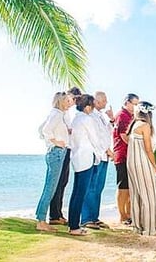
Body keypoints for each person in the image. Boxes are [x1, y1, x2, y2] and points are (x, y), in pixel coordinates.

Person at [126, 101, 156, 236]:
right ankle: (150, 228)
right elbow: (148, 149)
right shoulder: (145, 125)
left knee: (136, 194)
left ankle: (138, 226)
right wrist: (155, 166)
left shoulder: (133, 125)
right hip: (142, 163)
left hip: (131, 163)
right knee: (149, 195)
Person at [35, 92, 70, 232]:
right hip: (56, 152)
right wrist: (55, 142)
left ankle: (41, 218)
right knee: (50, 188)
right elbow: (44, 130)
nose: (69, 103)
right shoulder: (56, 114)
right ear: (61, 101)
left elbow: (40, 130)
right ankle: (41, 221)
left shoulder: (57, 114)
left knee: (51, 187)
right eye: (67, 100)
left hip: (57, 152)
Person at [67, 94, 100, 236]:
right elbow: (95, 139)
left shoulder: (76, 119)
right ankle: (74, 227)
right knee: (81, 193)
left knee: (76, 193)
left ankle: (73, 224)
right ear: (87, 107)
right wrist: (99, 154)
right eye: (92, 106)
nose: (93, 109)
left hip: (77, 158)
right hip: (86, 158)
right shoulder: (87, 119)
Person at [81, 91, 114, 229]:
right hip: (97, 155)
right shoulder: (91, 116)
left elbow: (108, 132)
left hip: (105, 156)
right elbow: (96, 137)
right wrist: (106, 150)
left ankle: (94, 217)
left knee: (99, 187)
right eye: (104, 100)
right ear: (96, 101)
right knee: (92, 187)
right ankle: (87, 218)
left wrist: (111, 119)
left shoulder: (101, 116)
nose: (106, 103)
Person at [49, 86, 81, 225]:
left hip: (67, 149)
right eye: (73, 99)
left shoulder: (67, 112)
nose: (73, 102)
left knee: (63, 182)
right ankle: (54, 215)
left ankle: (58, 213)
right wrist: (57, 140)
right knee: (57, 182)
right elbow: (46, 130)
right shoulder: (59, 113)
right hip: (61, 148)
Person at [113, 93, 139, 225]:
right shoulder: (122, 116)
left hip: (130, 156)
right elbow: (124, 136)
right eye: (134, 104)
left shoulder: (132, 116)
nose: (136, 107)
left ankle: (128, 214)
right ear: (127, 103)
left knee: (130, 187)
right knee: (123, 187)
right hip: (122, 156)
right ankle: (122, 215)